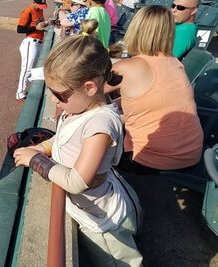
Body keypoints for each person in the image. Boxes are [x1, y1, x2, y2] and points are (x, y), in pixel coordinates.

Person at [13, 20, 143, 266]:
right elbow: (63, 138)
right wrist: (42, 147)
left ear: (90, 87)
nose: (53, 99)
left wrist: (36, 160)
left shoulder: (100, 125)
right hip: (92, 208)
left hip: (102, 221)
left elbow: (76, 181)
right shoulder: (80, 108)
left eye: (60, 94)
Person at [105, 5, 203, 175]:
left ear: (136, 29)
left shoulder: (128, 67)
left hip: (151, 161)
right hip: (191, 155)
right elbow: (149, 99)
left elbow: (88, 91)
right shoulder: (174, 62)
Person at [16, 0, 49, 102]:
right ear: (34, 2)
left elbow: (38, 25)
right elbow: (19, 29)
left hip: (38, 43)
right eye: (39, 5)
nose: (41, 7)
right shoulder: (28, 11)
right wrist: (35, 27)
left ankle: (26, 90)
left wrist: (45, 24)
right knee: (27, 69)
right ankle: (20, 93)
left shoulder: (39, 10)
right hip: (30, 43)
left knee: (36, 67)